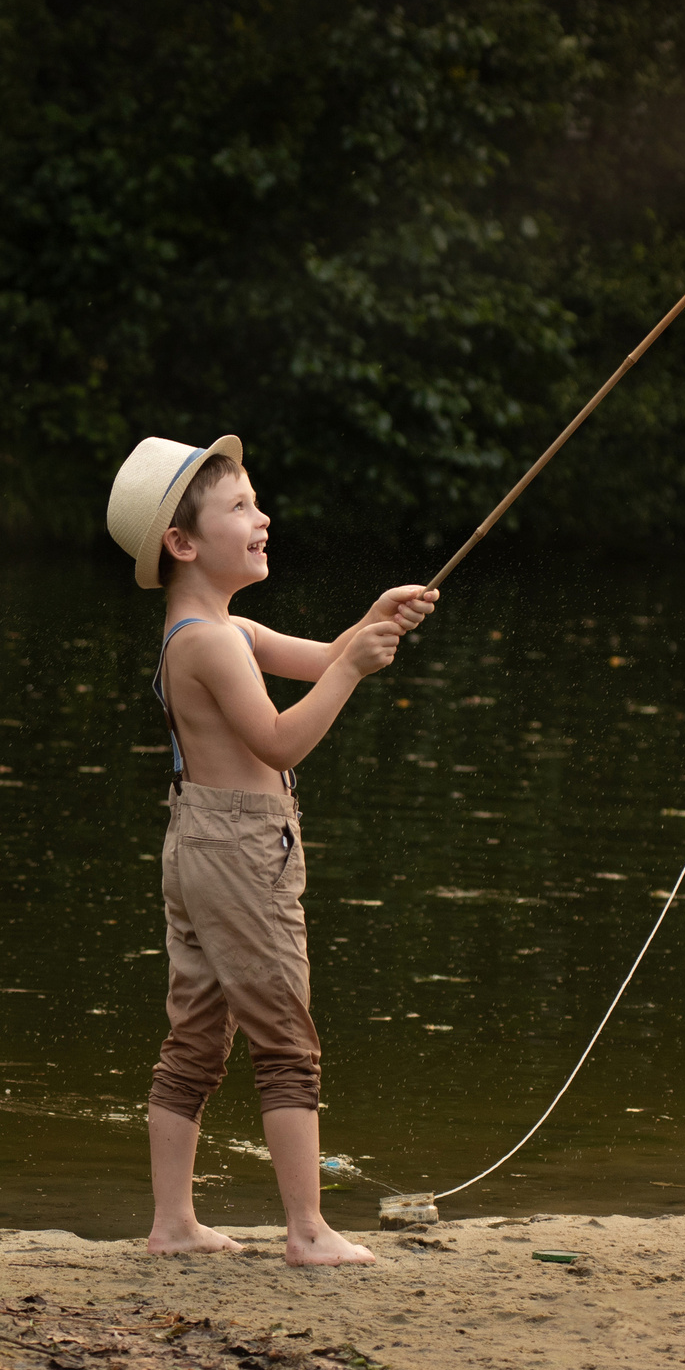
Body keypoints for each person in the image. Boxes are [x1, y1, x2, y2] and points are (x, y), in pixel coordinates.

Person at [104, 435, 437, 1264]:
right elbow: (281, 740)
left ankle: (174, 1224)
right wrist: (354, 672)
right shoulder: (215, 642)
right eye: (240, 506)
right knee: (286, 1038)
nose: (262, 518)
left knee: (195, 1037)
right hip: (242, 852)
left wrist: (373, 621)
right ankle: (307, 1229)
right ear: (183, 543)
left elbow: (322, 658)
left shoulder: (215, 629)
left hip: (200, 844)